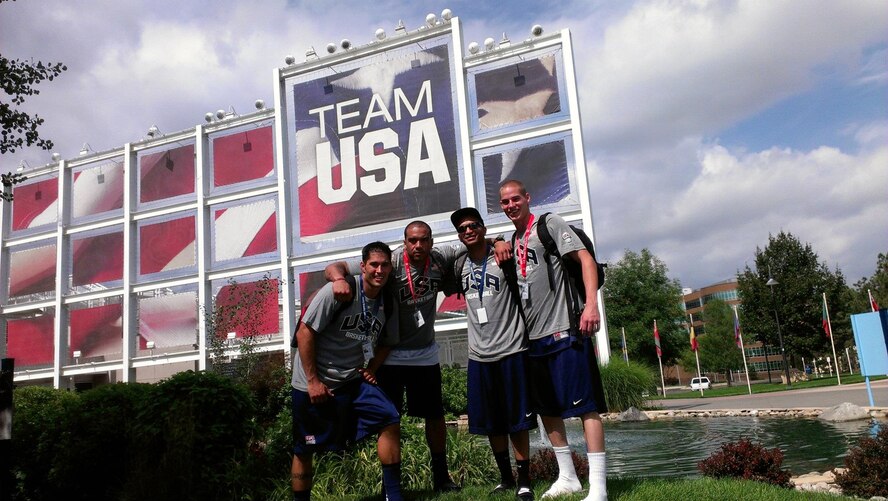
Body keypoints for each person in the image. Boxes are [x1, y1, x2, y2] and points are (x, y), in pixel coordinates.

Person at [324, 221, 463, 492]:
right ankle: (393, 488)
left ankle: (441, 478)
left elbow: (472, 243)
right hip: (389, 355)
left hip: (425, 354)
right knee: (390, 420)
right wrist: (339, 279)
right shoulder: (390, 262)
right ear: (404, 241)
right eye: (412, 240)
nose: (418, 245)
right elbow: (334, 267)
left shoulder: (440, 256)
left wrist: (497, 242)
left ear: (432, 241)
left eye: (423, 240)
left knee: (435, 416)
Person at [499, 179, 609, 501]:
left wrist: (591, 306)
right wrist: (496, 241)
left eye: (515, 199)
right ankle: (568, 477)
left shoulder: (549, 224)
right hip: (534, 339)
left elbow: (586, 260)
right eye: (505, 202)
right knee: (547, 410)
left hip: (565, 330)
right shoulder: (513, 239)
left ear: (527, 197)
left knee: (586, 408)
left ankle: (599, 487)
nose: (511, 205)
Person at [290, 241, 403, 501]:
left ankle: (394, 496)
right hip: (314, 382)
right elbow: (304, 333)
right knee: (304, 448)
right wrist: (313, 381)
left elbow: (388, 341)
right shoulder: (338, 291)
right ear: (362, 266)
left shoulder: (388, 300)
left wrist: (371, 369)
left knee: (389, 418)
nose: (379, 270)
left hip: (352, 379)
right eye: (374, 265)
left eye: (385, 265)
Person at [450, 207, 536, 500]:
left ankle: (525, 480)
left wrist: (499, 241)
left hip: (511, 349)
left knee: (517, 421)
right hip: (479, 355)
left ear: (483, 228)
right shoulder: (459, 263)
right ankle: (505, 478)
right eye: (462, 228)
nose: (468, 231)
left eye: (473, 225)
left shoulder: (504, 256)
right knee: (492, 423)